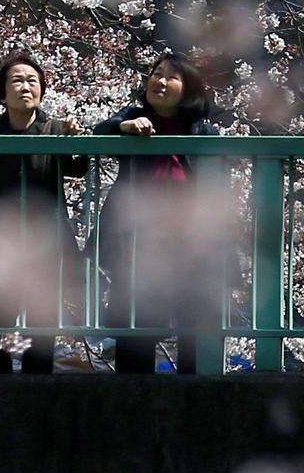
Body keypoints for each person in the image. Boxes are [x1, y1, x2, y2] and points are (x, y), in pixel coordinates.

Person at [92, 54, 221, 374]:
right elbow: (99, 132)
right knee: (136, 328)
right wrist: (125, 126)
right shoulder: (133, 117)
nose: (159, 81)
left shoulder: (201, 131)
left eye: (171, 77)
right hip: (136, 242)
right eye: (156, 73)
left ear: (188, 89)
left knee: (196, 322)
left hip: (189, 244)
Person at [0, 51, 87, 374]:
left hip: (45, 246)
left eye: (32, 81)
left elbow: (80, 167)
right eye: (17, 80)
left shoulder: (55, 131)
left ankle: (37, 400)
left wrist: (75, 136)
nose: (26, 87)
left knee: (41, 330)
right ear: (2, 94)